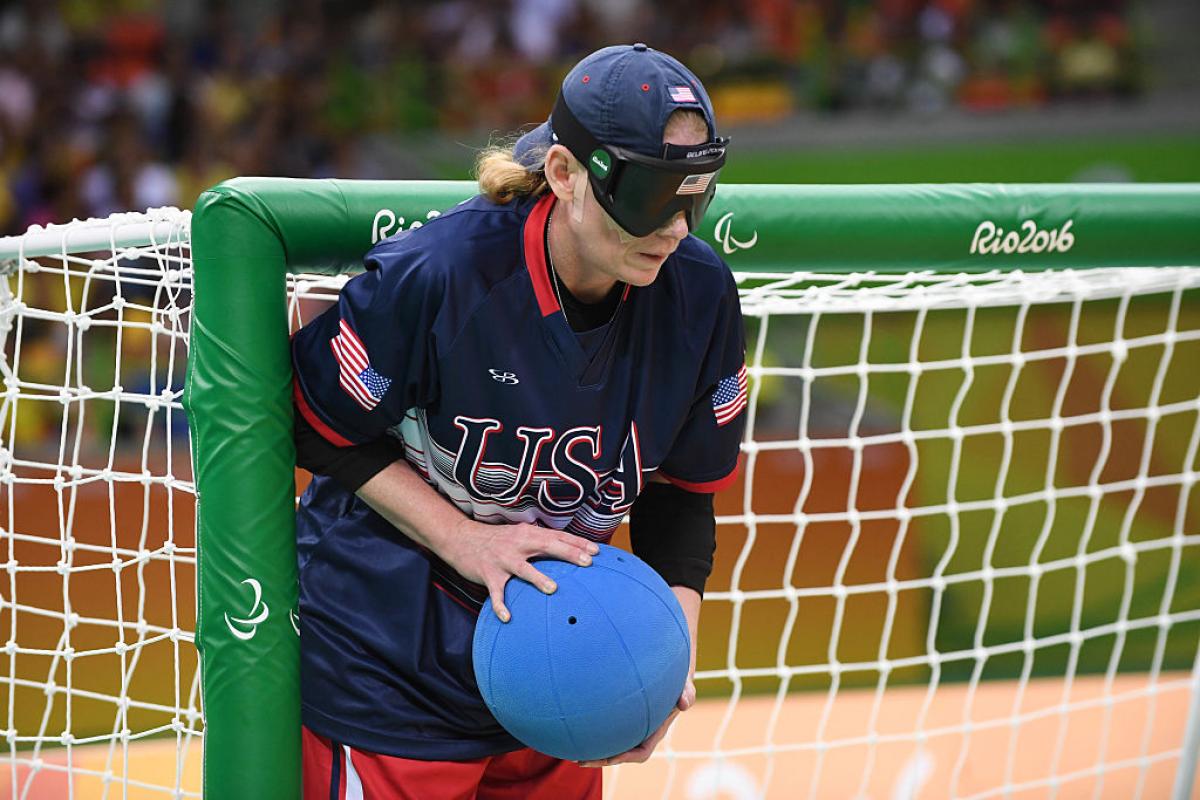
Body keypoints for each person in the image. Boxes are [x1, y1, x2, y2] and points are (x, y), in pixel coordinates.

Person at [290, 43, 747, 799]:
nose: (673, 226)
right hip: (389, 664)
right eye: (648, 194)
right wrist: (465, 537)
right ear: (565, 174)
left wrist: (664, 660)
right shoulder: (438, 276)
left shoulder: (697, 294)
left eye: (693, 194)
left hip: (561, 670)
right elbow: (314, 421)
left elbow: (683, 491)